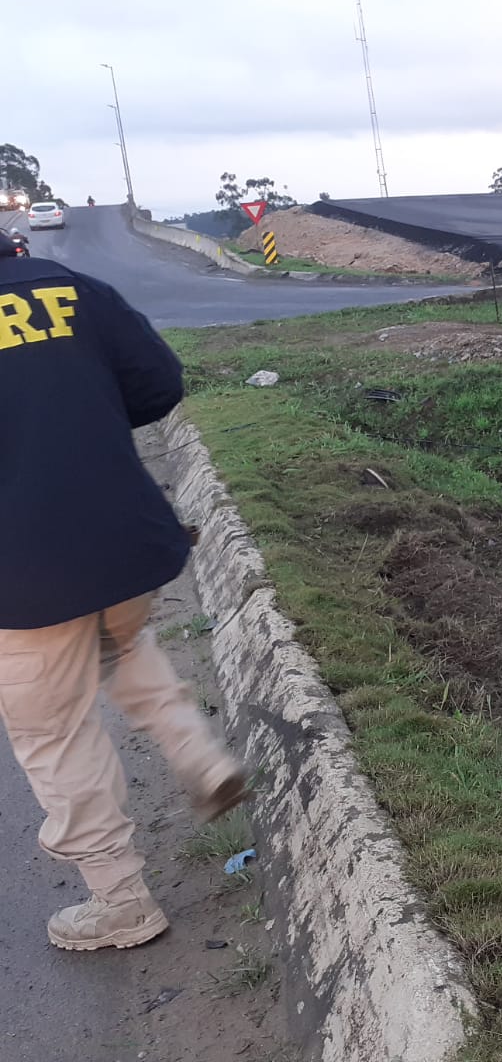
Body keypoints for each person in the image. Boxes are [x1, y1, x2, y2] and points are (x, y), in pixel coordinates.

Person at [0, 234, 248, 951]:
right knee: (121, 645)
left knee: (55, 733)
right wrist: (77, 424)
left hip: (26, 572)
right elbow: (159, 383)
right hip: (123, 536)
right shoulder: (69, 287)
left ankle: (121, 902)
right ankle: (203, 759)